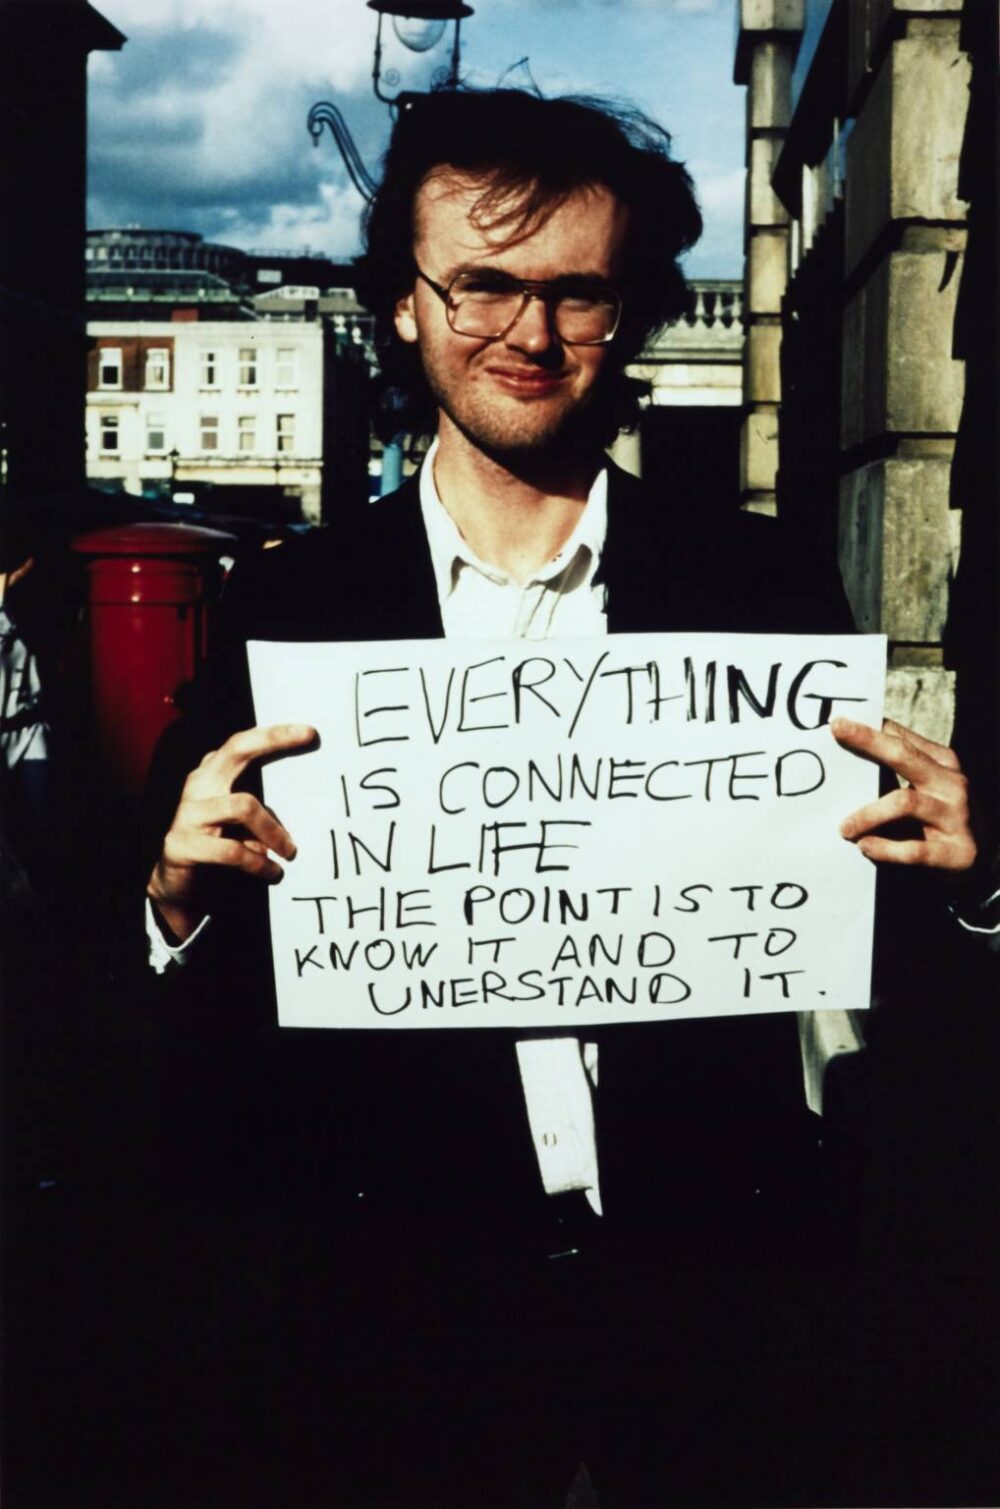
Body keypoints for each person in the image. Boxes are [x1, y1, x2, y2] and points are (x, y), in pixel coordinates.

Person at [141, 90, 988, 1508]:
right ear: (405, 306)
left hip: (719, 1313)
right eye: (479, 283)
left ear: (630, 310)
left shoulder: (759, 594)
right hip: (395, 1330)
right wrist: (173, 907)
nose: (527, 335)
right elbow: (197, 1053)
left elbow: (857, 969)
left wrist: (968, 893)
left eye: (576, 291)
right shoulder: (288, 607)